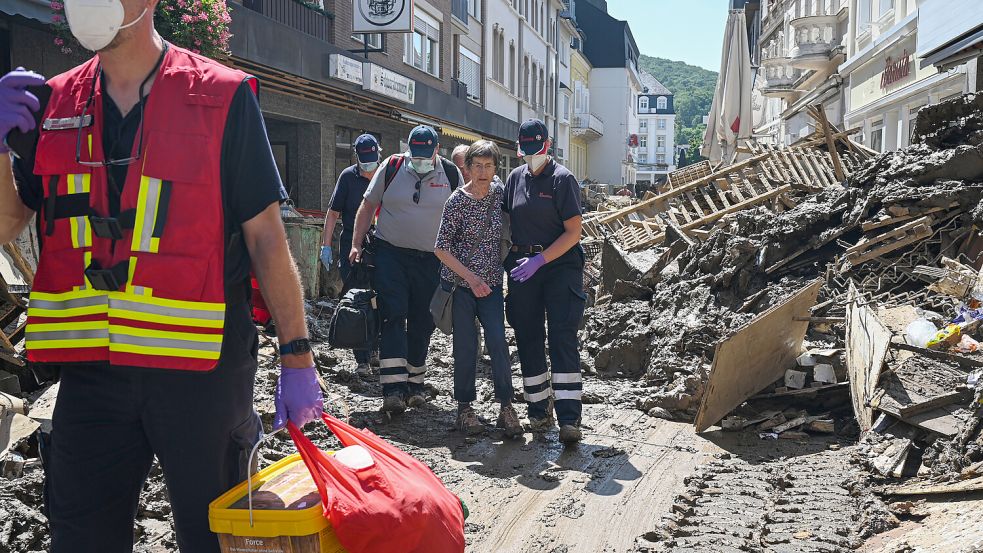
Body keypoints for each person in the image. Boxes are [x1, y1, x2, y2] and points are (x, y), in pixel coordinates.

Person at [0, 2, 323, 551]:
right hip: (91, 376)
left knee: (215, 538)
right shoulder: (53, 105)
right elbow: (8, 222)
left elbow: (266, 234)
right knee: (80, 538)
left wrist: (297, 355)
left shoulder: (221, 96)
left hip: (203, 373)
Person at [350, 125, 463, 414]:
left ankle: (415, 386)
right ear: (408, 149)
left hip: (432, 260)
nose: (421, 159)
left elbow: (462, 215)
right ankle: (392, 390)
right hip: (391, 255)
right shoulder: (392, 166)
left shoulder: (450, 174)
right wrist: (356, 244)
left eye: (427, 154)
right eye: (417, 154)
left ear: (437, 150)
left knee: (423, 322)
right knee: (393, 315)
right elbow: (367, 206)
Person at [503, 119, 586, 444]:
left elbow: (573, 233)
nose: (531, 156)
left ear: (547, 147)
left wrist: (541, 260)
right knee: (527, 336)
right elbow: (505, 220)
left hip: (559, 266)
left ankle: (569, 418)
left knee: (562, 336)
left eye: (536, 150)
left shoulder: (563, 180)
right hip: (524, 268)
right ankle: (538, 411)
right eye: (526, 151)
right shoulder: (515, 178)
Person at [434, 140, 522, 438]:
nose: (482, 172)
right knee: (465, 347)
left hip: (494, 286)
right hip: (462, 287)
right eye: (477, 166)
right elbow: (441, 249)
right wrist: (471, 279)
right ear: (467, 168)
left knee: (498, 342)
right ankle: (464, 408)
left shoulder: (499, 194)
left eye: (488, 166)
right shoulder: (456, 202)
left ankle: (506, 406)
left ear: (496, 168)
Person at [322, 133, 381, 376]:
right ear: (357, 158)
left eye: (372, 161)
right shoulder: (348, 177)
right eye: (364, 162)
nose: (369, 168)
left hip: (380, 249)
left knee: (380, 301)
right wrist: (326, 246)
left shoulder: (386, 173)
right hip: (351, 250)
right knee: (357, 301)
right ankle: (362, 359)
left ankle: (376, 349)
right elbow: (333, 213)